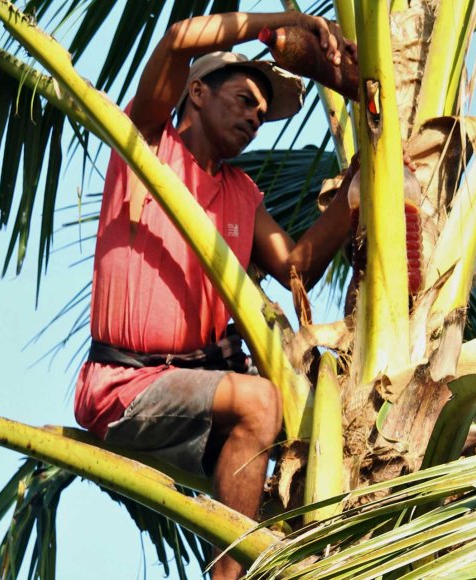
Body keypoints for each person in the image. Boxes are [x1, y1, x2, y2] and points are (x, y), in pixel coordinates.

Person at [74, 12, 357, 579]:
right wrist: (286, 24)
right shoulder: (148, 145)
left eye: (261, 111)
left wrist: (365, 180)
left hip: (200, 402)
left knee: (309, 454)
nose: (254, 116)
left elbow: (299, 265)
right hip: (125, 388)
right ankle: (230, 575)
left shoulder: (241, 192)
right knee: (259, 402)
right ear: (197, 92)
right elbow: (177, 39)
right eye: (244, 99)